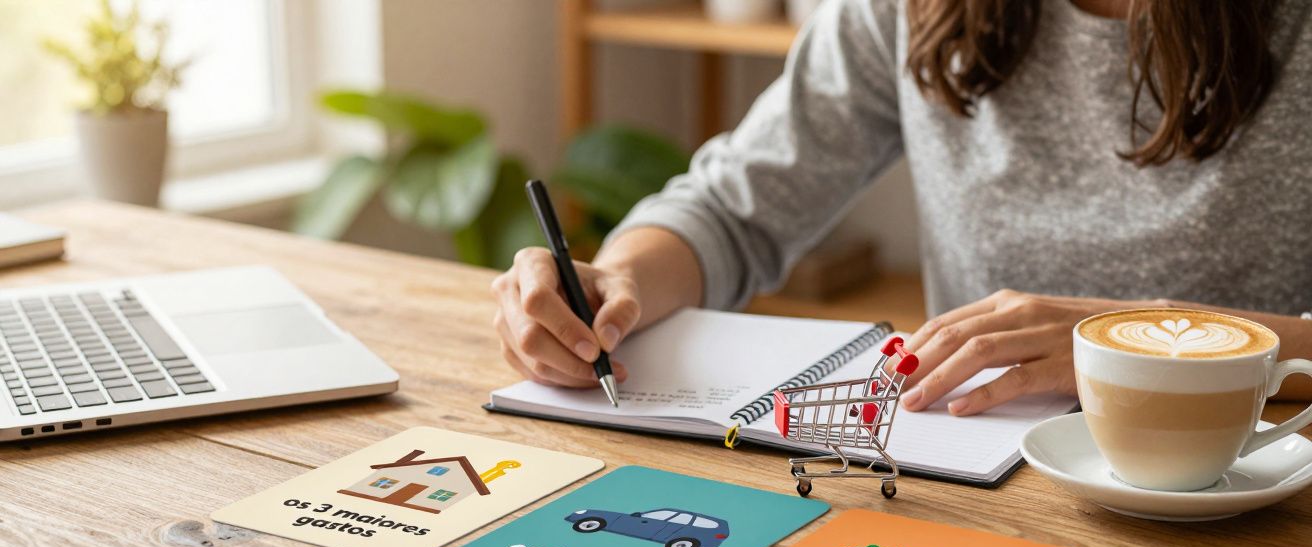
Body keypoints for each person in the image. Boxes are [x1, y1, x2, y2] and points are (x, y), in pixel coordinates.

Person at [493, 0, 1311, 415]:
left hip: (1253, 488)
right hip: (983, 472)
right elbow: (735, 208)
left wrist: (1137, 344)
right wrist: (616, 285)